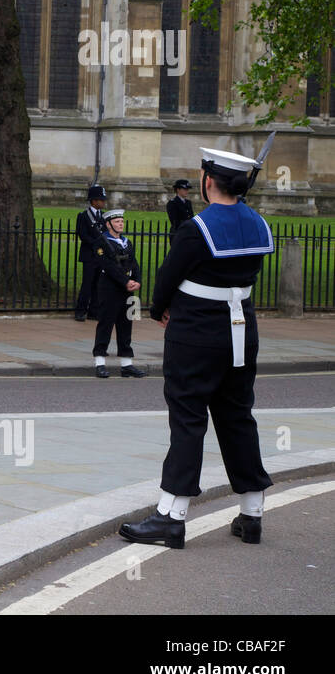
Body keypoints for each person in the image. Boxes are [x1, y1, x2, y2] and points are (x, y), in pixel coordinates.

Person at [119, 146, 275, 550]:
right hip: (243, 330)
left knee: (188, 419)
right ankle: (252, 512)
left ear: (208, 180)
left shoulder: (196, 228)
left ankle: (171, 517)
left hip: (196, 333)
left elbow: (168, 277)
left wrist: (160, 309)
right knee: (238, 417)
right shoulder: (258, 223)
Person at [91, 209, 146, 379]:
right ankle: (100, 362)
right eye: (116, 222)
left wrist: (137, 280)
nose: (120, 224)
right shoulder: (101, 242)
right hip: (110, 289)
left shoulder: (126, 242)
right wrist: (125, 281)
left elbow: (134, 263)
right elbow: (108, 266)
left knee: (126, 325)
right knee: (105, 324)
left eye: (122, 221)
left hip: (128, 290)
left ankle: (126, 364)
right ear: (108, 224)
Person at [74, 184, 107, 321]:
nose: (103, 202)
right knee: (87, 284)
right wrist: (96, 244)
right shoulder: (83, 216)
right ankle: (81, 311)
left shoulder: (103, 216)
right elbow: (82, 234)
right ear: (93, 200)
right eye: (101, 200)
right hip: (89, 255)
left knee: (98, 285)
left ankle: (94, 311)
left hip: (100, 256)